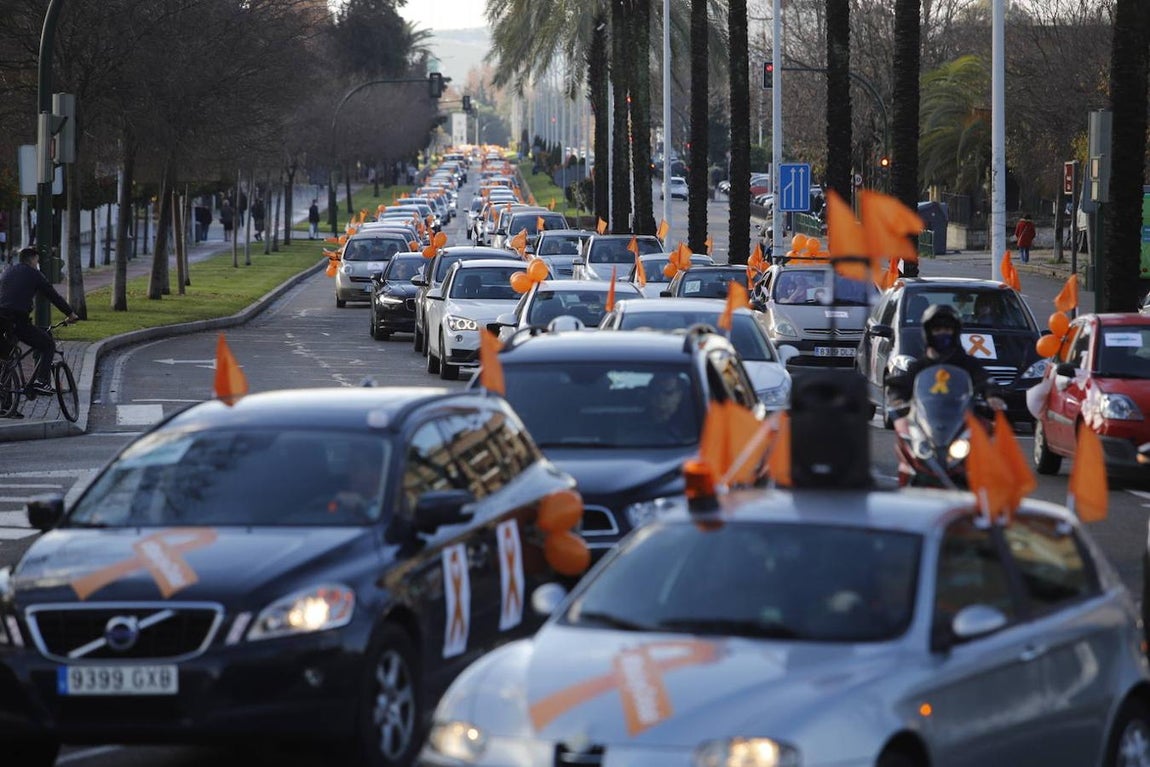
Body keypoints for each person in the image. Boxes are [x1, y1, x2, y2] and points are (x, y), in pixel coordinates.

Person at [885, 304, 1006, 418]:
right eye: (937, 330)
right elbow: (901, 385)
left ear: (955, 332)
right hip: (925, 423)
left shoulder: (968, 363)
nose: (942, 334)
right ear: (928, 334)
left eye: (947, 329)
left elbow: (986, 381)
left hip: (962, 422)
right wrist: (897, 398)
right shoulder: (918, 367)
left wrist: (992, 395)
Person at [0, 247, 80, 401]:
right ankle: (42, 381)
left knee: (6, 358)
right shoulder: (34, 274)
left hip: (1, 318)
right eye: (37, 261)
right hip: (17, 320)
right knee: (48, 345)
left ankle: (6, 405)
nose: (37, 264)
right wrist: (70, 314)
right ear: (32, 259)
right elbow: (52, 295)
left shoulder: (7, 271)